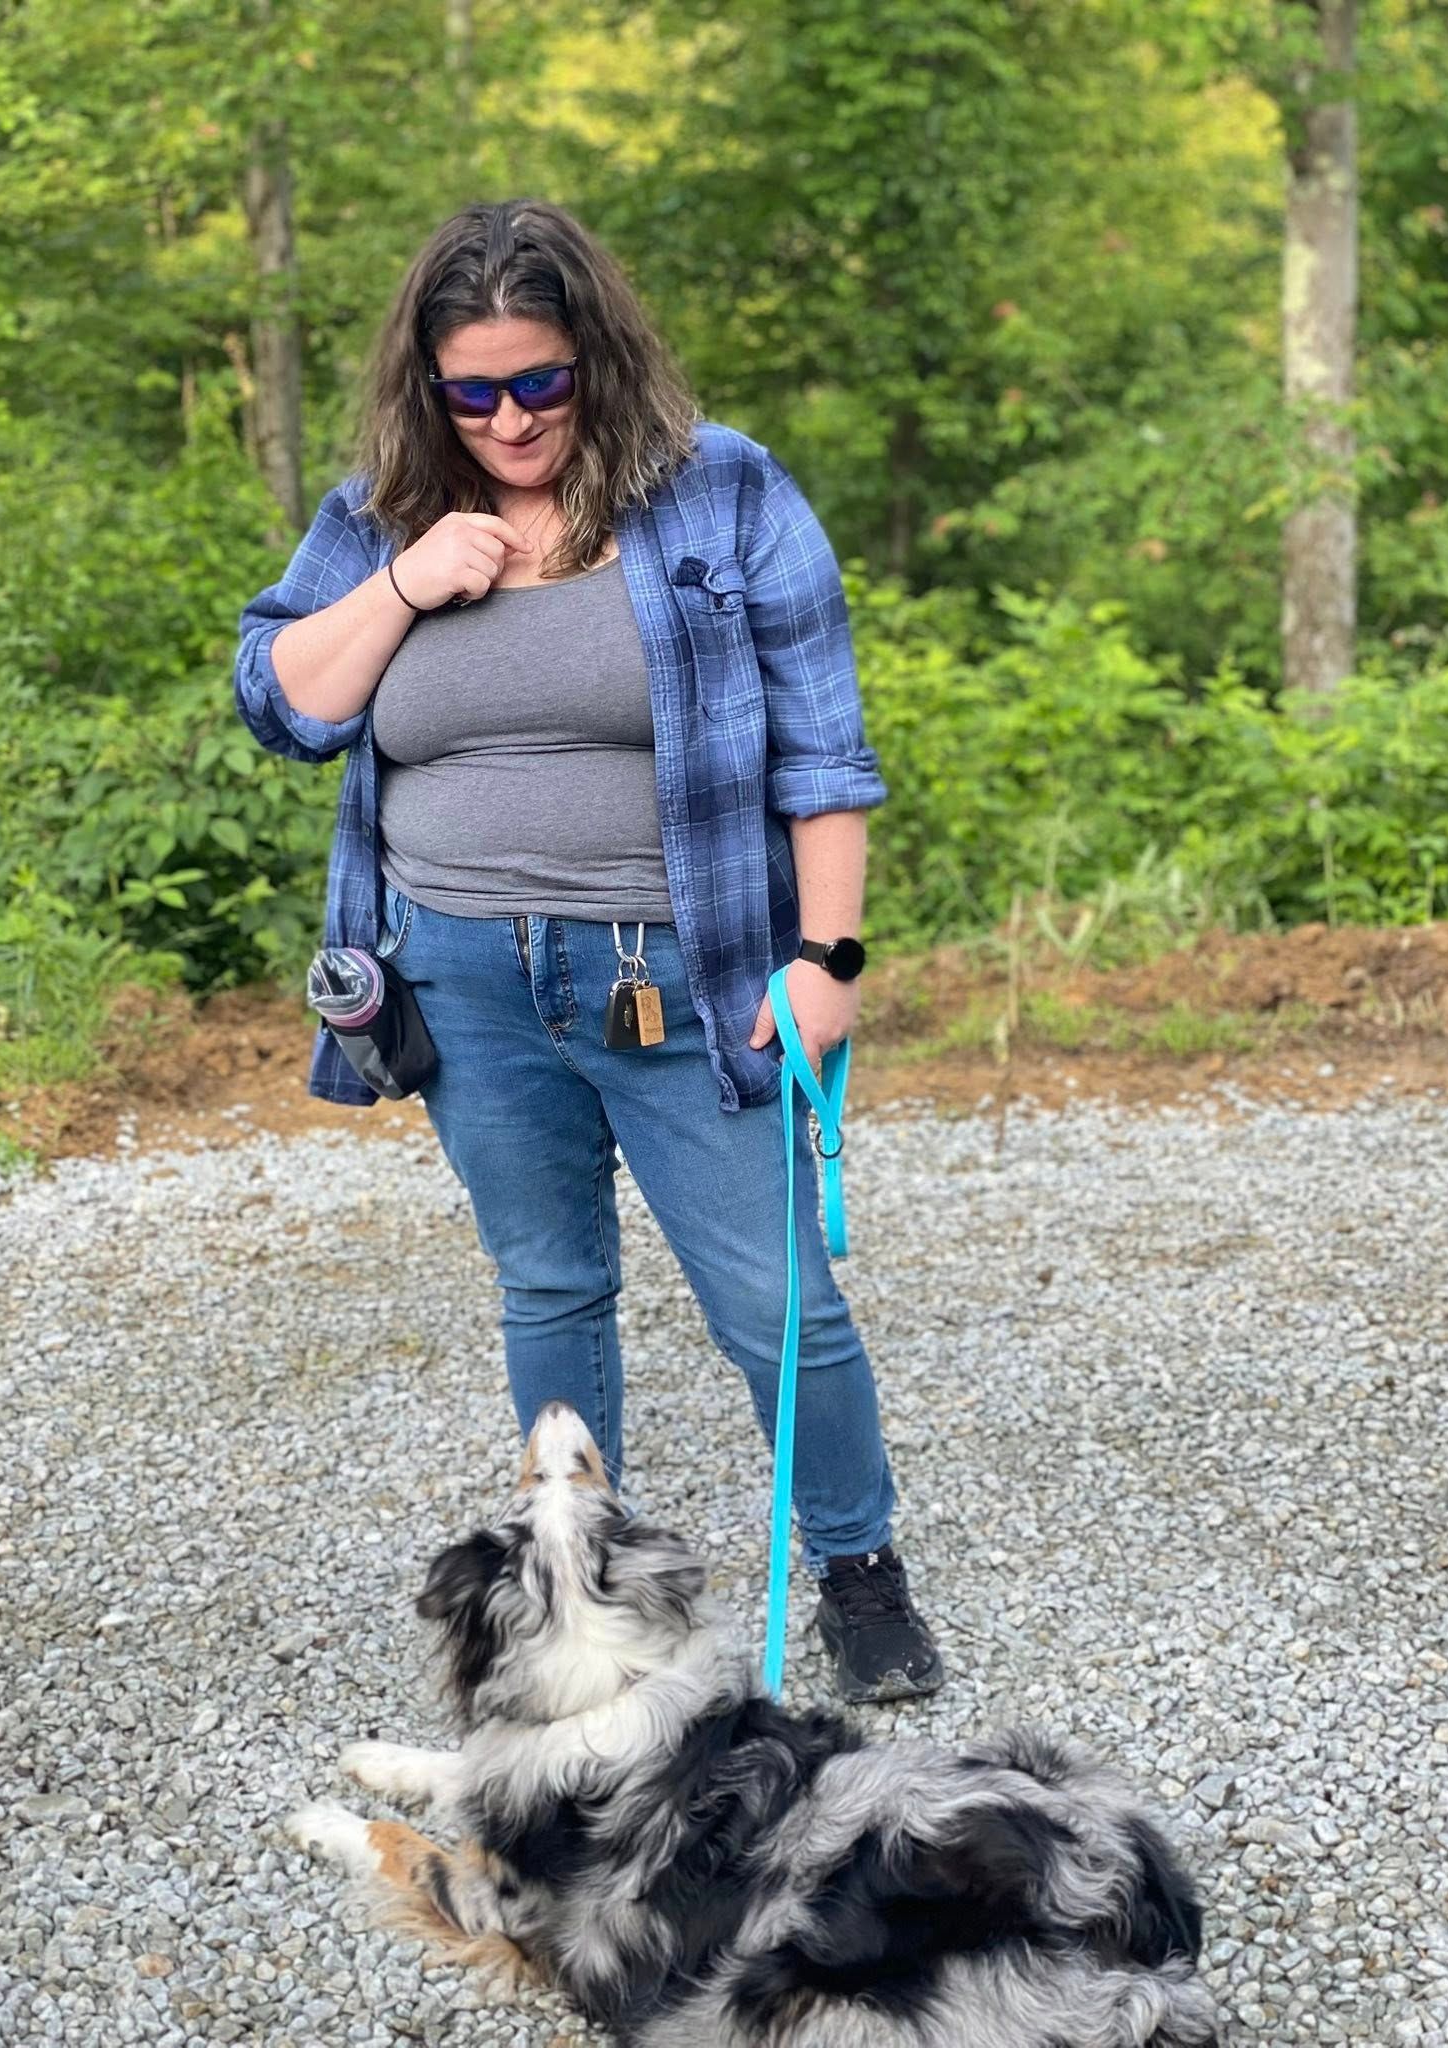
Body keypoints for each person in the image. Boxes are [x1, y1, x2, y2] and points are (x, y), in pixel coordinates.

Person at [232, 197, 942, 1704]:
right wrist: (409, 582)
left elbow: (825, 753)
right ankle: (577, 1579)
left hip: (688, 972)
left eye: (539, 383)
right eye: (471, 390)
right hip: (457, 978)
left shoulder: (718, 491)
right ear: (428, 387)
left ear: (595, 361)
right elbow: (283, 702)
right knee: (548, 1286)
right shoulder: (378, 517)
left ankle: (858, 1567)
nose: (508, 418)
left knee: (777, 1296)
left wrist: (828, 958)